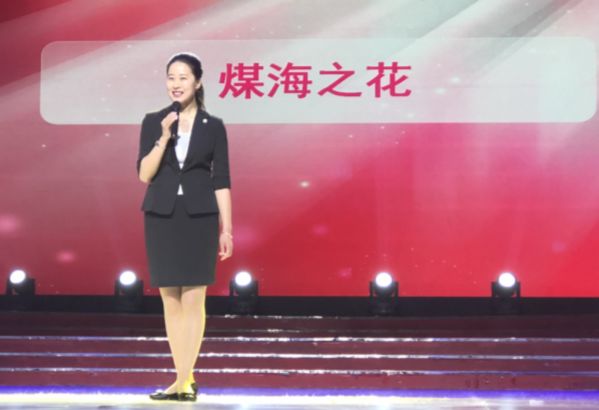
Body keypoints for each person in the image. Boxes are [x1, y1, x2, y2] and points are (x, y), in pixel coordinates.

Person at [136, 52, 233, 402]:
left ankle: (182, 381)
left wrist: (227, 228)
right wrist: (163, 137)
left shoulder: (213, 126)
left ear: (198, 82)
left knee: (193, 300)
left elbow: (221, 180)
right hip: (161, 215)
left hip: (199, 216)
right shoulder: (153, 121)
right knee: (170, 302)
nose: (175, 84)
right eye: (171, 77)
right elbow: (144, 174)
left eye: (183, 77)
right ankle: (183, 380)